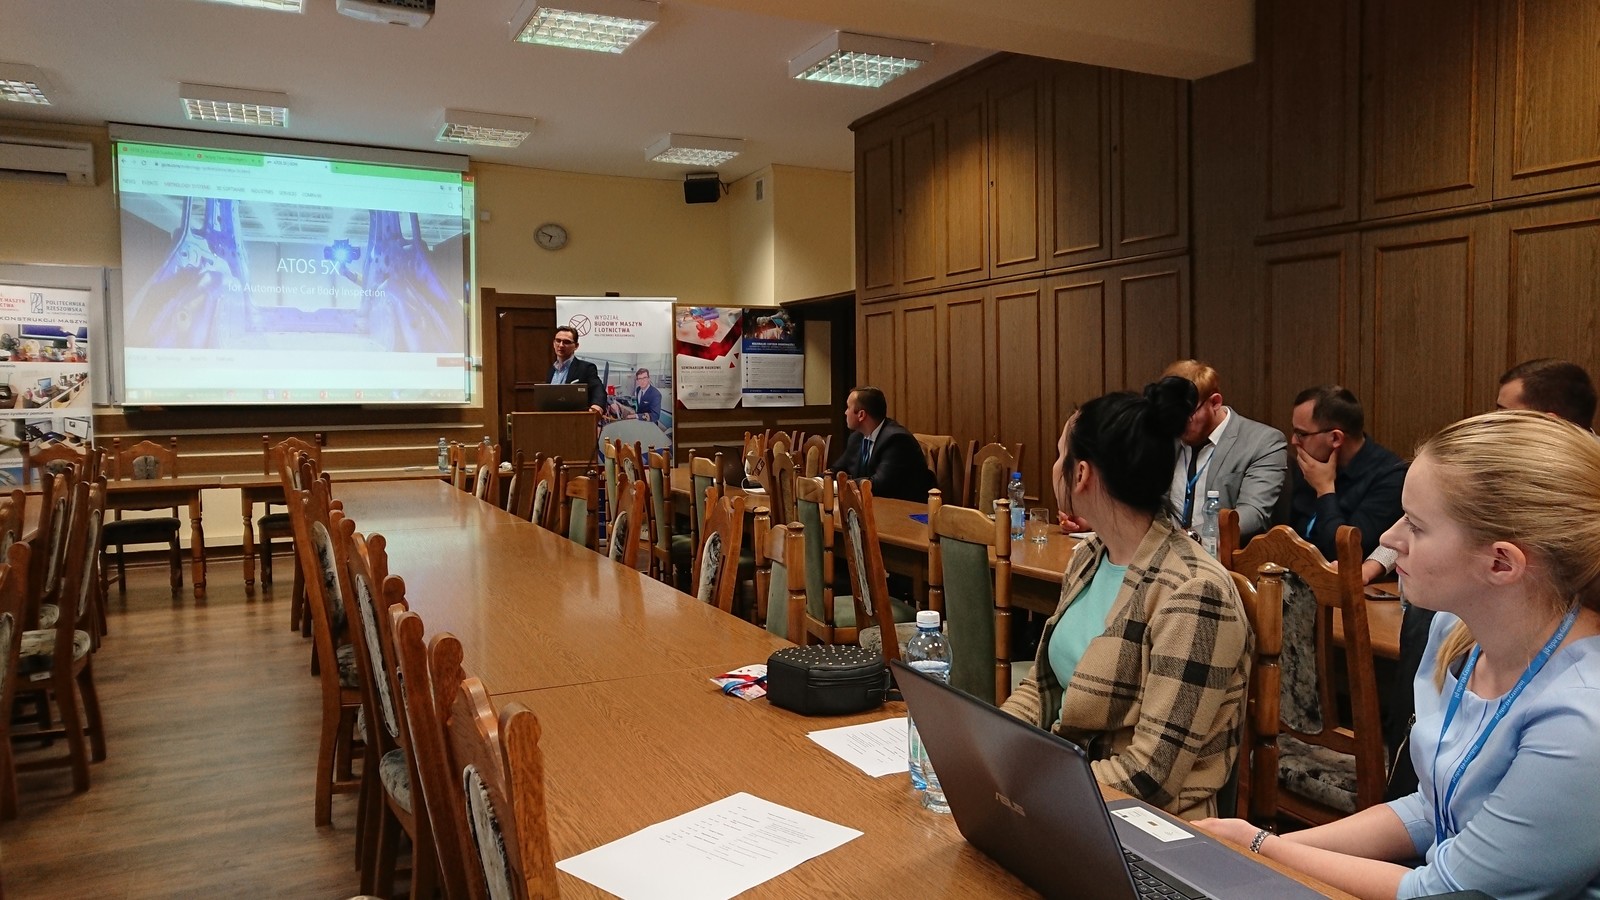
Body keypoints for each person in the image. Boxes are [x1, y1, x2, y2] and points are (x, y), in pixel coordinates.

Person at [1199, 410, 1600, 900]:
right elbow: (1434, 809)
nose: (1389, 539)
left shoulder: (1581, 719)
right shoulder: (1456, 633)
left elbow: (1445, 890)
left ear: (1501, 562)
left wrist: (1260, 847)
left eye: (1416, 525)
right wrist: (1258, 846)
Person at [1000, 376, 1253, 821]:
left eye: (1061, 455)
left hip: (1151, 824)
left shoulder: (1195, 591)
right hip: (1071, 793)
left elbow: (1150, 776)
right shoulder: (1090, 556)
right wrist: (993, 745)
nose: (1056, 467)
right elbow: (1044, 687)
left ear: (1082, 474)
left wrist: (1032, 781)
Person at [1160, 359, 1287, 542]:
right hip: (1164, 552)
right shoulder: (1166, 438)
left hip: (1221, 555)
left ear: (1215, 402)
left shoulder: (1263, 442)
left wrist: (1190, 538)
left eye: (1186, 415)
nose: (1177, 424)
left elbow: (1253, 513)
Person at [1288, 385, 1406, 561]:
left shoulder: (1390, 476)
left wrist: (1325, 490)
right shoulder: (1313, 462)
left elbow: (1346, 555)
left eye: (1301, 434)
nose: (1294, 441)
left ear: (1336, 438)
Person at [829, 386, 934, 502]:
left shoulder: (897, 439)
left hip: (906, 508)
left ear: (861, 415)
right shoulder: (856, 438)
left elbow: (879, 485)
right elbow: (837, 469)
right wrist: (819, 481)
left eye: (848, 407)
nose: (845, 412)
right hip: (874, 505)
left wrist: (837, 486)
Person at [545, 325, 603, 414]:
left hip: (576, 419)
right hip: (551, 419)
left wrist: (597, 405)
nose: (561, 345)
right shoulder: (551, 371)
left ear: (576, 346)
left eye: (566, 342)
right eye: (558, 341)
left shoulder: (586, 368)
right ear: (553, 343)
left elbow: (597, 389)